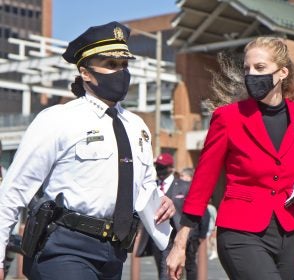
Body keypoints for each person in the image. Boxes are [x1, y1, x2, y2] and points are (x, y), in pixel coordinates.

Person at [0, 21, 175, 280]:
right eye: (111, 65)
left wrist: (163, 205)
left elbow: (145, 187)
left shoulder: (137, 126)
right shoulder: (57, 119)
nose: (120, 72)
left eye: (124, 65)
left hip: (114, 252)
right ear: (85, 72)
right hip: (64, 247)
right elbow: (13, 191)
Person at [167, 36, 294, 280]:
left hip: (287, 233)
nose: (251, 74)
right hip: (239, 232)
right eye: (247, 69)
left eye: (260, 68)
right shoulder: (228, 117)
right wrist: (180, 243)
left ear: (282, 72)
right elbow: (203, 181)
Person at [136, 154, 209, 280]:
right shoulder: (151, 187)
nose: (159, 170)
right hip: (159, 238)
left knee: (189, 268)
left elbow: (201, 210)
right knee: (164, 272)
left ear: (171, 168)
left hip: (182, 237)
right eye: (157, 166)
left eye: (162, 167)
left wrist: (198, 236)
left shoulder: (184, 186)